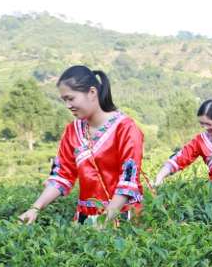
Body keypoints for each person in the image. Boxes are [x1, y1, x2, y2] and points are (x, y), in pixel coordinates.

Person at [18, 65, 143, 225]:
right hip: (85, 219)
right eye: (64, 100)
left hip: (124, 218)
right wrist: (35, 208)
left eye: (71, 98)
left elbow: (128, 181)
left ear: (92, 92)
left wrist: (104, 222)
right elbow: (62, 175)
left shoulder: (125, 128)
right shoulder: (72, 130)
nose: (68, 105)